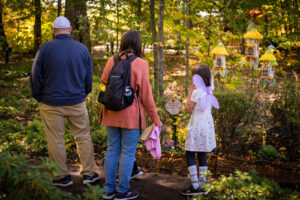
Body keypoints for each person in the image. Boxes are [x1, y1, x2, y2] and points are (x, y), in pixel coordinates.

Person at [30, 16, 99, 187]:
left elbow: (34, 76)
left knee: (56, 139)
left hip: (51, 102)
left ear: (54, 31)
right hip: (76, 101)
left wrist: (39, 96)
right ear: (69, 30)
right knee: (83, 136)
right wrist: (84, 93)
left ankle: (61, 177)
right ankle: (89, 174)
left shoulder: (45, 49)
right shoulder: (82, 49)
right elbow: (88, 76)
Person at [99, 30, 161, 200]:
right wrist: (156, 120)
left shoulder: (111, 60)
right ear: (138, 44)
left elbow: (104, 86)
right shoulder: (141, 63)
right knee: (127, 153)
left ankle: (108, 189)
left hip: (111, 113)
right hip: (131, 117)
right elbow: (146, 96)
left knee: (112, 150)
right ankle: (122, 191)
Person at [181, 64, 219, 196]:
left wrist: (189, 93)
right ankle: (202, 186)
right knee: (202, 154)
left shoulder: (197, 92)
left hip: (197, 125)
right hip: (207, 125)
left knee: (190, 153)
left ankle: (195, 186)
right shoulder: (209, 89)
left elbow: (187, 109)